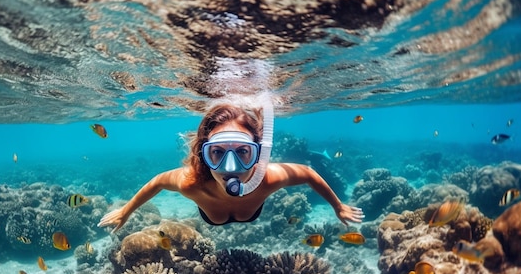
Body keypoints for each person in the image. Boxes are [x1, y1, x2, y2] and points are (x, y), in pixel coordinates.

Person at [98, 99, 364, 231]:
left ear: (258, 155)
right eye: (217, 153)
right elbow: (156, 182)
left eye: (242, 153)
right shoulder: (191, 182)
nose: (230, 166)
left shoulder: (267, 178)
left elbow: (307, 173)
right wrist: (126, 211)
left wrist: (338, 206)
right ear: (203, 155)